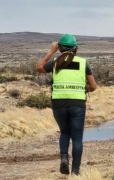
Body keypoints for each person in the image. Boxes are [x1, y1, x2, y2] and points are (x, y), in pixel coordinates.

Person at [36, 34, 97, 175]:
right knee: (77, 137)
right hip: (77, 103)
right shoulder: (83, 63)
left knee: (64, 132)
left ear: (60, 48)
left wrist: (51, 51)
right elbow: (93, 86)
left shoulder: (56, 62)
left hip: (58, 102)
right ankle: (75, 172)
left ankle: (64, 157)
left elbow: (39, 68)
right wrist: (83, 89)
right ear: (76, 48)